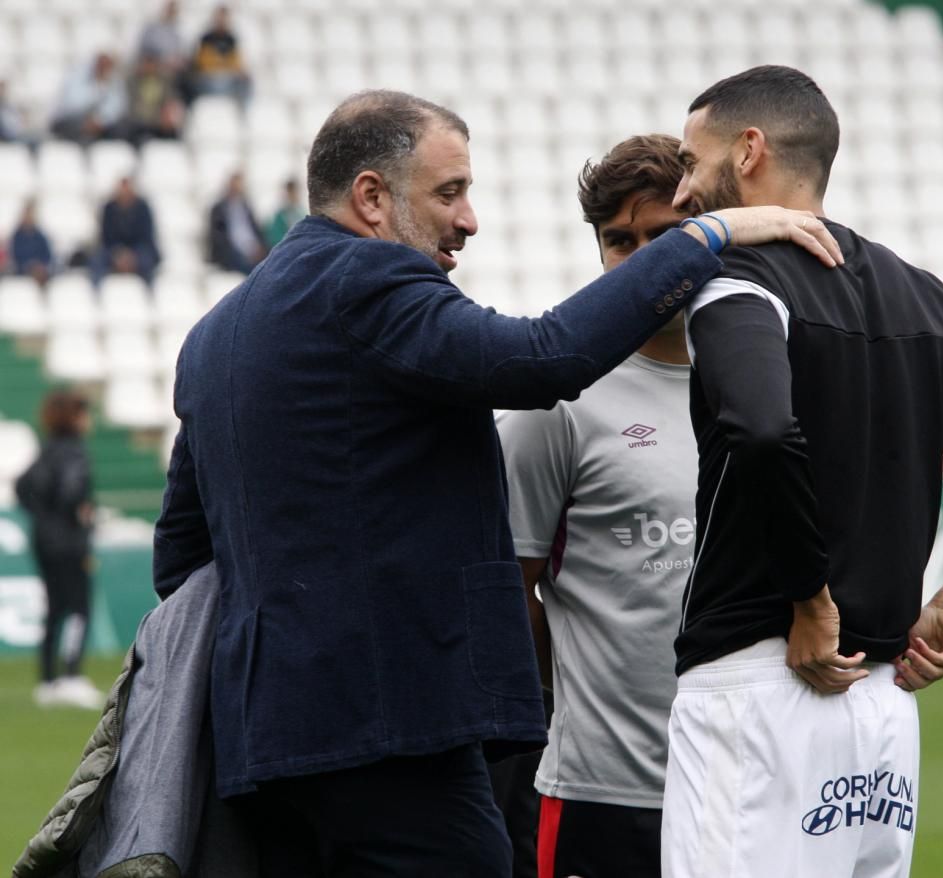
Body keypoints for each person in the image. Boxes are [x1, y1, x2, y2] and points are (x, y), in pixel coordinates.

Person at [151, 89, 842, 877]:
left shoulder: (216, 333)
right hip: (394, 735)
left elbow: (181, 559)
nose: (469, 218)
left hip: (260, 746)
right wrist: (709, 234)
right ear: (372, 197)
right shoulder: (369, 284)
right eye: (450, 192)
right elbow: (541, 358)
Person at [660, 66, 943, 878]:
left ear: (750, 151)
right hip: (883, 710)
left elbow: (761, 431)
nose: (681, 189)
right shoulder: (923, 297)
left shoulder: (734, 280)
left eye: (693, 161)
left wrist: (809, 600)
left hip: (761, 686)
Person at [495, 134, 695, 878]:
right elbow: (509, 594)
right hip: (604, 793)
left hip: (751, 778)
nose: (642, 259)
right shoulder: (555, 401)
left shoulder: (763, 379)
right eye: (620, 240)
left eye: (664, 237)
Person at [15, 389, 104, 711]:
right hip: (70, 542)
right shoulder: (76, 453)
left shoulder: (46, 449)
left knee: (54, 609)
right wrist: (80, 515)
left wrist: (43, 516)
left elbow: (22, 486)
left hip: (44, 540)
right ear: (76, 417)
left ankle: (47, 680)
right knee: (79, 608)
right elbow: (72, 492)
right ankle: (71, 676)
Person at [91, 177, 160, 286]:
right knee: (97, 261)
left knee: (147, 260)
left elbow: (146, 237)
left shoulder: (143, 208)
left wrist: (132, 256)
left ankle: (149, 292)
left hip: (138, 251)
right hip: (114, 251)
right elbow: (106, 237)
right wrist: (118, 254)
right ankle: (97, 293)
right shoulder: (109, 208)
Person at [50, 53, 129, 144]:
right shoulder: (77, 75)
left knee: (120, 130)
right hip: (69, 119)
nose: (104, 69)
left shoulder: (114, 80)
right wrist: (99, 87)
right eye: (102, 65)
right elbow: (72, 105)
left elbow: (117, 107)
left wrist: (100, 120)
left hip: (98, 123)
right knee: (79, 130)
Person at [189, 5, 252, 105]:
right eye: (220, 17)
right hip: (209, 79)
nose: (222, 21)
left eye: (224, 18)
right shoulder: (207, 38)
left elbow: (236, 63)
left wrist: (224, 65)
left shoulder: (231, 39)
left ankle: (242, 112)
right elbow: (204, 63)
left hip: (228, 79)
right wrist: (223, 64)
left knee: (246, 81)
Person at [208, 171, 268, 273]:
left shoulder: (246, 207)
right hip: (231, 252)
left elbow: (256, 230)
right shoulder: (219, 209)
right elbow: (219, 237)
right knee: (252, 268)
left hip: (252, 249)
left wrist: (260, 247)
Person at [127, 51, 186, 145]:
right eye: (146, 64)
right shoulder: (134, 81)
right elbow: (133, 105)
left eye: (151, 64)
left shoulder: (165, 81)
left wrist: (166, 114)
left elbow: (170, 99)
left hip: (159, 120)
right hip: (140, 121)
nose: (148, 67)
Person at [10, 200, 55, 285]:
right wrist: (29, 266)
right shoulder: (17, 236)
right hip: (23, 271)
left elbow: (47, 255)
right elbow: (15, 256)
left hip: (40, 270)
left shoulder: (40, 236)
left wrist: (40, 265)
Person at [263, 178, 306, 250]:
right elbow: (275, 238)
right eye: (292, 192)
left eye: (297, 192)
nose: (295, 195)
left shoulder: (301, 213)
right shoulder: (281, 215)